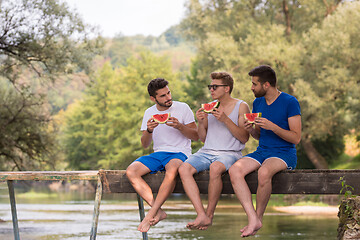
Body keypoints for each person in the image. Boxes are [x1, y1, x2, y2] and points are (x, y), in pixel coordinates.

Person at [228, 65, 302, 237]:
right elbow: (259, 136)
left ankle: (258, 218)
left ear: (266, 85)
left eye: (254, 84)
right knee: (234, 170)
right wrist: (251, 129)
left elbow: (296, 138)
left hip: (284, 153)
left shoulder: (290, 102)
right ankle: (252, 217)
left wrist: (273, 127)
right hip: (262, 151)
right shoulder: (258, 102)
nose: (251, 87)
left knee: (264, 172)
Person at [179, 72, 250, 230]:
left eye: (215, 86)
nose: (211, 89)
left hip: (230, 153)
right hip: (206, 151)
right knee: (183, 168)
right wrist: (201, 122)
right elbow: (203, 138)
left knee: (215, 168)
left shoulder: (241, 106)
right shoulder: (208, 106)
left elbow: (244, 137)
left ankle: (210, 215)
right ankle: (201, 214)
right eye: (210, 86)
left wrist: (225, 119)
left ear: (227, 88)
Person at [126, 78, 198, 233]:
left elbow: (196, 136)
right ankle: (158, 211)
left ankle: (150, 214)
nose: (168, 98)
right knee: (131, 171)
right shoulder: (149, 112)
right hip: (158, 153)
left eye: (169, 93)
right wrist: (149, 130)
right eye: (163, 96)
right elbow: (145, 144)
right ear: (153, 98)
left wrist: (180, 126)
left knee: (172, 170)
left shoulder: (183, 108)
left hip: (180, 153)